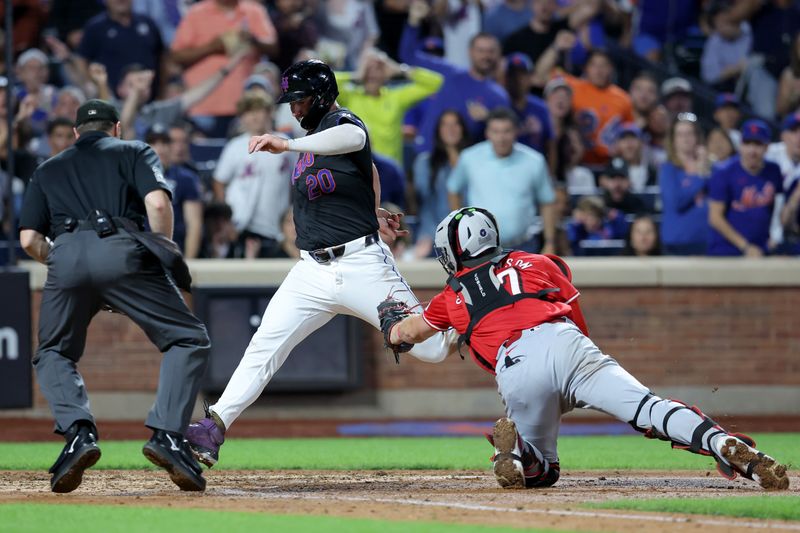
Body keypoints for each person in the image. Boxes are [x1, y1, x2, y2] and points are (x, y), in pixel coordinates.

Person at [379, 206, 790, 491]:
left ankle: (521, 451)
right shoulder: (538, 261)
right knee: (649, 408)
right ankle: (723, 444)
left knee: (543, 472)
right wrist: (583, 361)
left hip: (517, 363)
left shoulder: (452, 295)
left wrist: (391, 321)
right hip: (568, 341)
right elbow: (573, 313)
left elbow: (410, 333)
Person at [184, 60, 456, 468]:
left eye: (301, 99)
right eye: (291, 101)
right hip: (311, 271)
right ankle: (215, 425)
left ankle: (474, 310)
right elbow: (371, 170)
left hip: (363, 264)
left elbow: (354, 137)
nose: (294, 109)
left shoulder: (339, 122)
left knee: (432, 349)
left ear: (322, 95)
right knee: (264, 346)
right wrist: (373, 207)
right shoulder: (314, 138)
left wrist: (288, 145)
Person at [18, 99, 211, 493]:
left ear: (75, 133)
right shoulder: (135, 150)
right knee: (187, 338)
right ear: (117, 128)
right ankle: (167, 437)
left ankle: (78, 433)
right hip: (123, 250)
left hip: (66, 255)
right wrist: (161, 249)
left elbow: (29, 240)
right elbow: (157, 202)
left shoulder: (48, 167)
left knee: (52, 351)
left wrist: (72, 262)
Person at [399, 0, 509, 153]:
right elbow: (409, 56)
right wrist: (414, 22)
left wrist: (488, 119)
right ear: (470, 52)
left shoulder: (499, 96)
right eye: (481, 50)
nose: (486, 56)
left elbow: (506, 133)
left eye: (490, 51)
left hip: (465, 161)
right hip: (428, 154)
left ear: (497, 54)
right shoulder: (449, 72)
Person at [447, 108, 557, 253]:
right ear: (487, 133)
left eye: (507, 131)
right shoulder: (469, 157)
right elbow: (453, 189)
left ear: (516, 131)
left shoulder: (534, 161)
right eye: (496, 131)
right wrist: (459, 231)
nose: (501, 137)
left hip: (524, 245)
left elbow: (547, 202)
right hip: (480, 246)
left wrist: (549, 242)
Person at [170, 0, 278, 136]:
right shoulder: (196, 13)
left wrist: (252, 39)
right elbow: (177, 56)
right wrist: (212, 47)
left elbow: (273, 47)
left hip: (246, 108)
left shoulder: (253, 10)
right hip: (204, 107)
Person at [213, 93, 294, 259]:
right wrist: (227, 223)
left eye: (259, 110)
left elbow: (296, 180)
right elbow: (219, 182)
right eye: (249, 112)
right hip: (240, 225)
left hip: (276, 227)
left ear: (270, 112)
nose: (255, 117)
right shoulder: (235, 146)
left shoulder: (284, 143)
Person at [336, 47, 443, 164]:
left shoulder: (396, 97)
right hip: (357, 172)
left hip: (389, 172)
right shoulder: (350, 96)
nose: (373, 74)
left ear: (386, 73)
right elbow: (324, 83)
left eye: (378, 69)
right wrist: (355, 75)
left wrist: (400, 69)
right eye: (368, 69)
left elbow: (435, 83)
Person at [708, 119, 783, 257]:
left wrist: (776, 235)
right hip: (727, 251)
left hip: (762, 249)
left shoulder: (773, 170)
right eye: (747, 143)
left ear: (767, 147)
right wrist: (745, 246)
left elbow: (777, 207)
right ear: (740, 145)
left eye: (758, 144)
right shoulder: (724, 172)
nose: (752, 150)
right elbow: (715, 217)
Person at [412, 110, 471, 258]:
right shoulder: (424, 163)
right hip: (435, 237)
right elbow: (426, 204)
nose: (450, 129)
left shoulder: (474, 161)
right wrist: (427, 236)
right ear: (439, 131)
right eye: (445, 125)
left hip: (471, 237)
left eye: (455, 124)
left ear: (463, 128)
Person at [563, 50, 635, 167]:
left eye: (604, 65)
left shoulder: (624, 99)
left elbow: (629, 133)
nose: (599, 70)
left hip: (610, 166)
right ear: (586, 68)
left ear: (611, 69)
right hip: (574, 162)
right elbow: (541, 76)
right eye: (594, 65)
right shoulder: (571, 87)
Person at [146, 125, 204, 258]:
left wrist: (188, 262)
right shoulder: (133, 177)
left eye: (165, 142)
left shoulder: (186, 178)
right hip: (142, 252)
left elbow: (194, 224)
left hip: (175, 251)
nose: (159, 148)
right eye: (153, 143)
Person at [658, 113, 710, 255]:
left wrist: (705, 166)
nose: (685, 139)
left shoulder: (712, 168)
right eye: (680, 134)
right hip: (677, 243)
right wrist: (700, 176)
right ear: (673, 140)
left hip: (707, 241)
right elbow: (677, 201)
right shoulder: (668, 169)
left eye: (689, 133)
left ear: (697, 137)